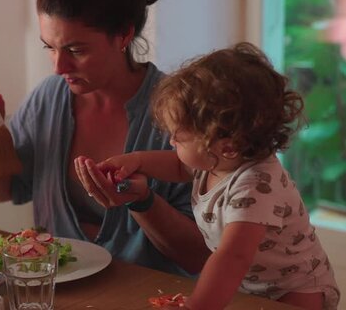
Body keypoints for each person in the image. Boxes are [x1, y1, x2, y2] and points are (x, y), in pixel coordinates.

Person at [0, 0, 209, 276]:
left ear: (123, 35)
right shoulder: (49, 98)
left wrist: (142, 201)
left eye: (76, 50)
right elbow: (1, 191)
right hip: (60, 292)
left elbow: (200, 257)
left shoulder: (181, 114)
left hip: (151, 295)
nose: (60, 67)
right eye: (50, 47)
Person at [75, 42, 341, 309]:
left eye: (178, 136)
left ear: (226, 145)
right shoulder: (216, 161)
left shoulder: (255, 188)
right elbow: (179, 167)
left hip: (294, 292)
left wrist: (195, 307)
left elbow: (232, 257)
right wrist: (134, 162)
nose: (170, 142)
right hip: (252, 287)